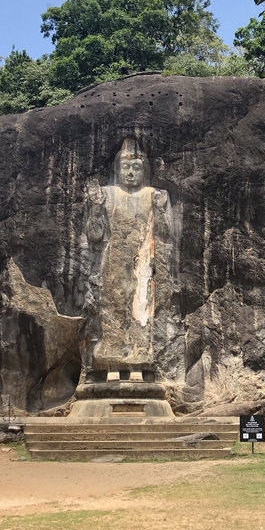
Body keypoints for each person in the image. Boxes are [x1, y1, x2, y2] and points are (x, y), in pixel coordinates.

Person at [86, 137, 172, 380]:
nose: (131, 172)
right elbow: (94, 236)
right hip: (113, 261)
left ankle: (138, 365)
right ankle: (112, 365)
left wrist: (161, 211)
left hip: (143, 263)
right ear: (117, 169)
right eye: (126, 167)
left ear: (144, 169)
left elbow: (164, 234)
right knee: (112, 312)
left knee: (142, 310)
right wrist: (95, 208)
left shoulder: (154, 194)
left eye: (136, 167)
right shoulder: (107, 194)